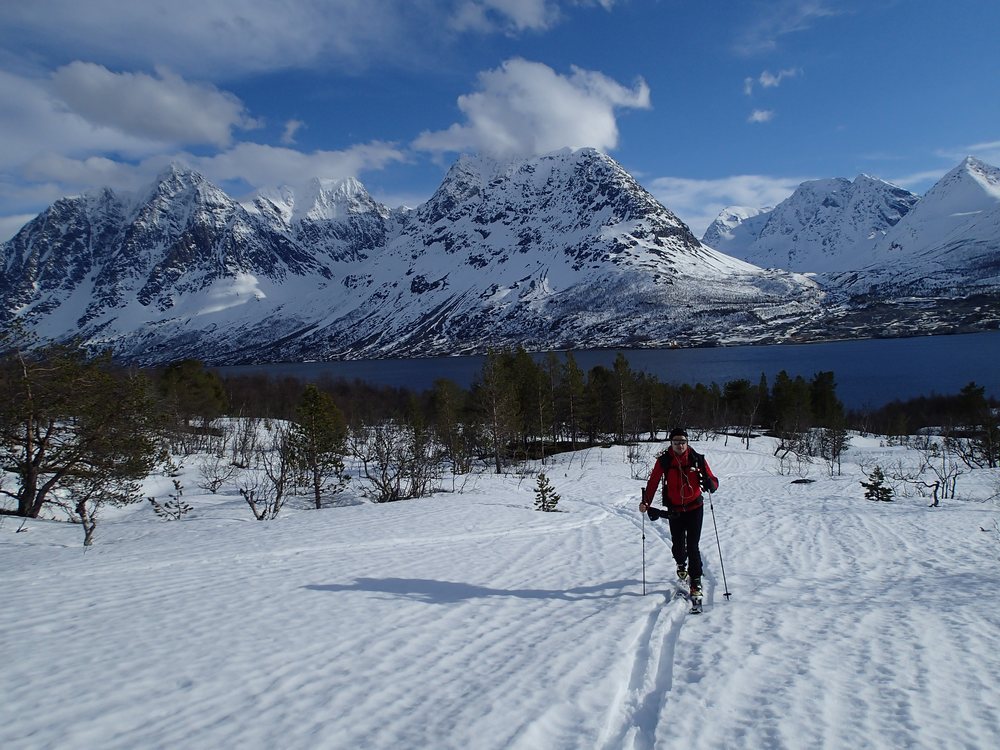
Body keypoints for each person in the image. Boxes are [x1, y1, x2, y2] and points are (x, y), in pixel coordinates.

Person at [639, 428, 719, 599]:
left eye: (683, 442)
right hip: (674, 510)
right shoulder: (664, 460)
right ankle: (681, 564)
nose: (680, 445)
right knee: (677, 545)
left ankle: (696, 579)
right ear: (671, 443)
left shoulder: (697, 459)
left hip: (695, 508)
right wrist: (646, 502)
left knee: (693, 545)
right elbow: (653, 482)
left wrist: (711, 484)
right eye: (676, 442)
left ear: (687, 442)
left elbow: (713, 479)